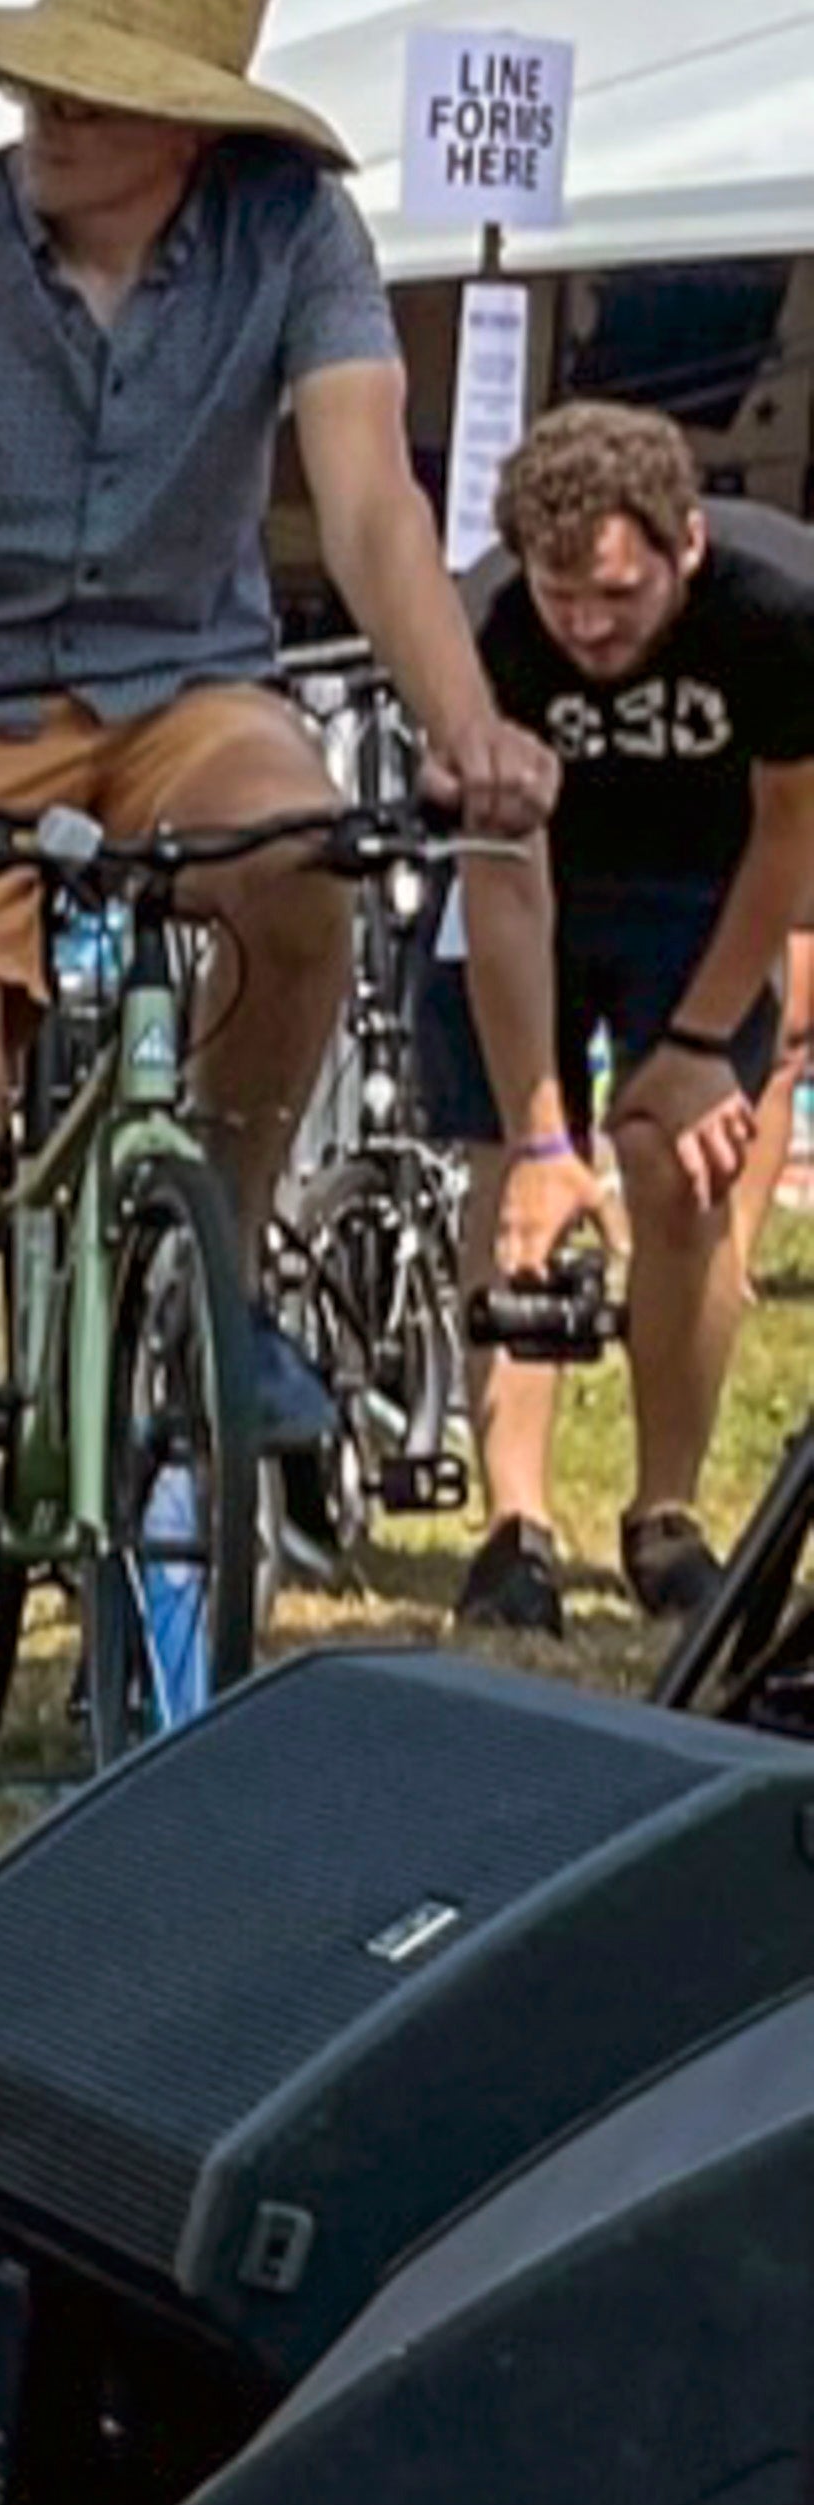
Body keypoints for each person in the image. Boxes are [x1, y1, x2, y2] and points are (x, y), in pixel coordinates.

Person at [0, 0, 555, 1717]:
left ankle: (224, 1264)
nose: (50, 120)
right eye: (41, 84)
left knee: (307, 873)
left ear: (196, 128)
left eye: (96, 99)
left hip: (187, 692)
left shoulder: (298, 236)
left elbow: (369, 504)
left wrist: (467, 724)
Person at [435, 400, 814, 1630]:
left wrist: (704, 1045)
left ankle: (665, 1512)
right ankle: (514, 1522)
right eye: (565, 597)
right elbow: (501, 880)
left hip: (705, 889)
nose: (590, 627)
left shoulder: (774, 617)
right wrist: (545, 1135)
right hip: (531, 888)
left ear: (684, 546)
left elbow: (790, 838)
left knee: (678, 1170)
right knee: (512, 1190)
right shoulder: (486, 631)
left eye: (617, 594)